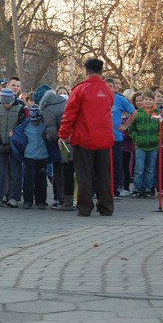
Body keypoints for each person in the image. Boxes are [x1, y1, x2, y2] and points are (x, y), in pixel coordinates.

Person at [58, 58, 115, 217]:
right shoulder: (108, 90)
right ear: (101, 71)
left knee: (84, 175)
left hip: (84, 137)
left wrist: (63, 134)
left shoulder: (80, 89)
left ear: (86, 71)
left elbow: (69, 115)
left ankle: (85, 208)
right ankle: (106, 207)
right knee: (103, 174)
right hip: (104, 137)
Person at [35, 85, 73, 211]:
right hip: (73, 140)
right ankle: (72, 199)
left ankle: (62, 199)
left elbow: (52, 134)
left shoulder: (48, 110)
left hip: (61, 145)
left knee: (60, 172)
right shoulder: (64, 101)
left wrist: (44, 134)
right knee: (71, 172)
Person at [11, 104, 49, 209]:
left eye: (37, 120)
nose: (35, 122)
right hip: (29, 156)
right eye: (33, 120)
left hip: (42, 156)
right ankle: (28, 201)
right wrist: (12, 134)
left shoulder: (44, 125)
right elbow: (17, 133)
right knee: (28, 180)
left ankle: (41, 201)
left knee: (41, 181)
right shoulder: (26, 125)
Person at [0, 88, 25, 207]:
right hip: (1, 144)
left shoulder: (20, 108)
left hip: (14, 145)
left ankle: (14, 197)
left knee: (15, 172)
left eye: (8, 103)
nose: (6, 105)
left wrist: (14, 139)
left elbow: (22, 126)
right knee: (0, 172)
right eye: (4, 103)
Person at [105, 77, 136, 198]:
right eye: (105, 86)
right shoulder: (98, 99)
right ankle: (99, 189)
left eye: (110, 86)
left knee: (116, 164)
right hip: (101, 138)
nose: (108, 89)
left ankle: (114, 189)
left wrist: (126, 125)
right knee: (102, 164)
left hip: (116, 137)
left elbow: (133, 112)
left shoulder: (119, 100)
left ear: (114, 88)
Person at [128, 91, 160, 198]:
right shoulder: (137, 113)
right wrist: (136, 137)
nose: (147, 102)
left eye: (150, 100)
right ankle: (138, 187)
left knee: (150, 168)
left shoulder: (157, 113)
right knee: (139, 168)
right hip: (140, 145)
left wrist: (158, 138)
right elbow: (131, 127)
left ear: (153, 101)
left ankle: (148, 187)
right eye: (145, 99)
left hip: (153, 145)